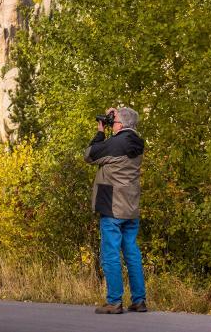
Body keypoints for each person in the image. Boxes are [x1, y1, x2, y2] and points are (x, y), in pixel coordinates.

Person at [84, 106, 147, 314]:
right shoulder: (137, 143)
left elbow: (90, 155)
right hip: (131, 207)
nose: (113, 124)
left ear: (120, 124)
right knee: (131, 252)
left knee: (110, 254)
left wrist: (101, 131)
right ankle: (139, 300)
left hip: (112, 207)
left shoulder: (115, 143)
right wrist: (115, 116)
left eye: (115, 121)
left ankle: (114, 302)